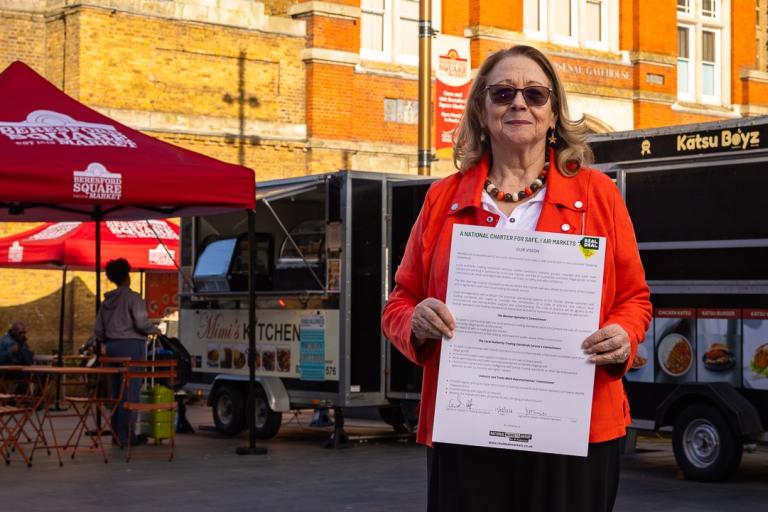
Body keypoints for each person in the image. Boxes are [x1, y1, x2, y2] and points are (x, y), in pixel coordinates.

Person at [382, 45, 652, 512]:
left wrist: (624, 336)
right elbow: (399, 301)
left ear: (553, 114)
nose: (519, 103)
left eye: (535, 93)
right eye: (503, 92)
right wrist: (416, 321)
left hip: (575, 425)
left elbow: (634, 299)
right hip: (469, 425)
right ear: (482, 112)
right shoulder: (442, 199)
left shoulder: (599, 195)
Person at [94, 258, 159, 445]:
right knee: (131, 393)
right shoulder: (133, 298)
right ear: (127, 276)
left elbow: (98, 330)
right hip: (132, 347)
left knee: (116, 393)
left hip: (111, 348)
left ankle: (116, 434)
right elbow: (141, 323)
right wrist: (154, 330)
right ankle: (127, 434)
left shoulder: (106, 301)